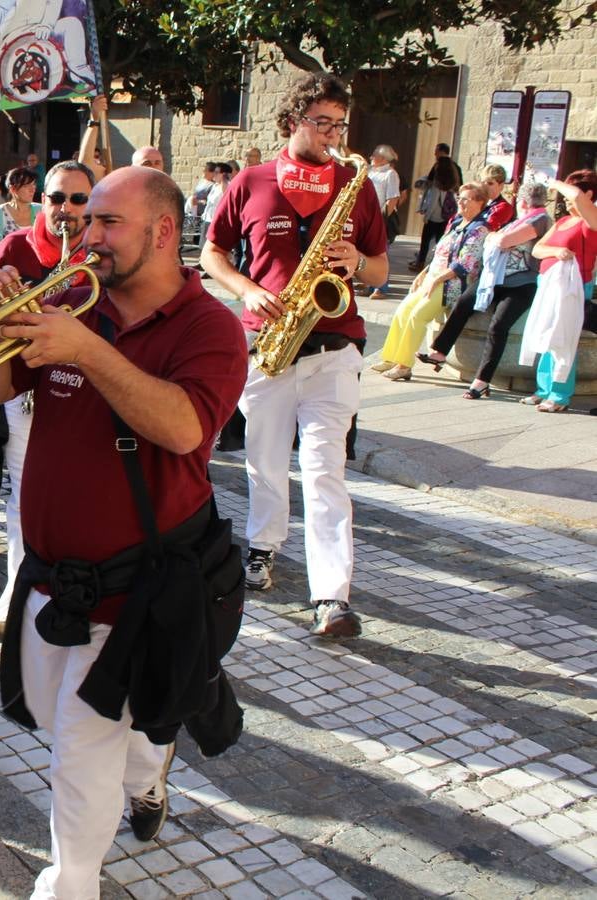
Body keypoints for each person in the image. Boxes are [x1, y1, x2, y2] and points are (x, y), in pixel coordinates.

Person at [0, 165, 247, 898]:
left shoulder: (208, 327)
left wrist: (87, 352)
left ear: (161, 232)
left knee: (78, 757)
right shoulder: (71, 299)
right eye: (84, 220)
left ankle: (70, 884)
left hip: (137, 589)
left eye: (105, 223)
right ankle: (152, 768)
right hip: (54, 578)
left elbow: (185, 429)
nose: (84, 235)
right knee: (89, 735)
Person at [201, 72, 388, 639]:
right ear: (292, 121)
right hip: (269, 344)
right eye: (322, 122)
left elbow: (380, 269)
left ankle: (332, 595)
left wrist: (356, 261)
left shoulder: (357, 186)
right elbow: (212, 253)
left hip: (335, 347)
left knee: (324, 469)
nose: (333, 134)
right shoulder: (252, 181)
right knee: (263, 458)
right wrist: (246, 289)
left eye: (339, 124)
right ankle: (262, 548)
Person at [0, 160, 96, 642]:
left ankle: (78, 591)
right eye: (56, 198)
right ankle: (16, 594)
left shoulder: (100, 252)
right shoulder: (16, 246)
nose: (65, 210)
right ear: (41, 201)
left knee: (83, 497)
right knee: (24, 499)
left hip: (85, 393)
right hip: (26, 392)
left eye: (77, 200)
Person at [418, 181, 551, 398]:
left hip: (521, 284)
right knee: (464, 303)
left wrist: (498, 239)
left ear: (523, 201)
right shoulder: (520, 220)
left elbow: (502, 240)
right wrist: (496, 239)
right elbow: (493, 238)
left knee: (498, 326)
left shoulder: (540, 219)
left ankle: (482, 380)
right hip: (494, 279)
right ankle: (440, 351)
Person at [375, 183, 490, 382]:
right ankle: (392, 357)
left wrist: (436, 279)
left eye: (466, 199)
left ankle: (404, 365)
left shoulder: (479, 229)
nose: (460, 202)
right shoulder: (456, 222)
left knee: (418, 316)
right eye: (460, 198)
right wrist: (424, 273)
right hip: (433, 277)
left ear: (480, 202)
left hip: (449, 284)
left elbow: (464, 264)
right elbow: (440, 252)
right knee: (403, 311)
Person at [523, 170, 597, 412]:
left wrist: (552, 182)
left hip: (573, 287)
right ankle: (543, 389)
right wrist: (556, 252)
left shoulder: (591, 220)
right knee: (547, 336)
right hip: (548, 285)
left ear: (589, 194)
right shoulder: (564, 221)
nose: (564, 198)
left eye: (567, 192)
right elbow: (538, 249)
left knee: (564, 339)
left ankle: (559, 395)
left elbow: (575, 195)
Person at [0, 165, 39, 265]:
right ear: (13, 189)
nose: (32, 189)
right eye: (26, 186)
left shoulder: (41, 211)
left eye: (33, 184)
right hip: (6, 276)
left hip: (39, 275)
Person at [411, 157, 462, 272]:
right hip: (446, 217)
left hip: (434, 217)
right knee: (440, 242)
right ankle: (438, 264)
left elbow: (433, 202)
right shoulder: (453, 184)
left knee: (425, 242)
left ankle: (421, 263)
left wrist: (426, 217)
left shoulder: (437, 185)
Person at [366, 145, 402, 299]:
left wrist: (381, 219)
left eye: (374, 155)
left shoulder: (390, 174)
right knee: (367, 251)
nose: (371, 157)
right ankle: (369, 283)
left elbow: (393, 198)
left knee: (380, 252)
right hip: (367, 218)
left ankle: (381, 287)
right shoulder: (370, 171)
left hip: (380, 219)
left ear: (383, 158)